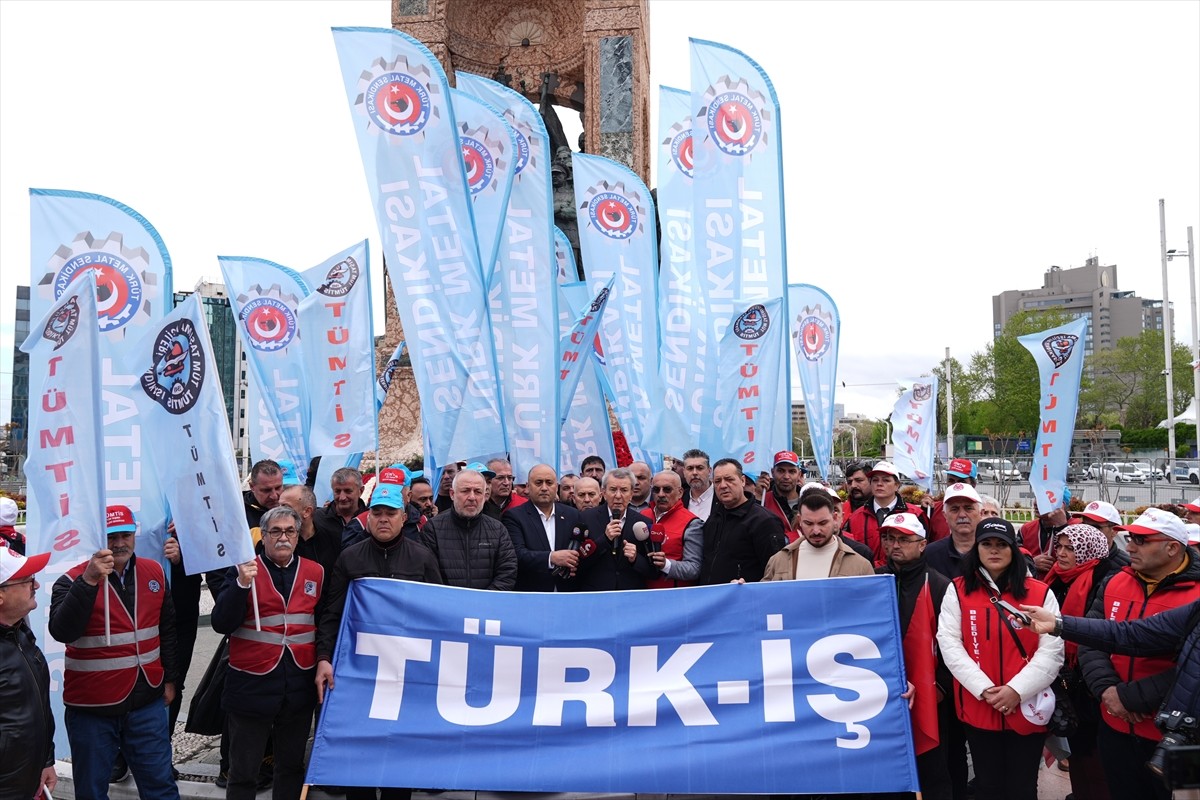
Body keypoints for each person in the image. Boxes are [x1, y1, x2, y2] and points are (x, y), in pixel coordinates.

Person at [315, 472, 442, 800]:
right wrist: (324, 659)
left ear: (403, 517)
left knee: (399, 755)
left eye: (390, 513)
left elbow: (439, 615)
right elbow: (332, 614)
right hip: (361, 672)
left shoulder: (422, 557)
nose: (383, 519)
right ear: (367, 516)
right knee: (359, 754)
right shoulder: (350, 558)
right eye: (377, 512)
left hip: (406, 672)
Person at [49, 505, 180, 800]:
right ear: (98, 538)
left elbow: (167, 630)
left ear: (135, 534)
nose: (119, 543)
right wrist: (89, 581)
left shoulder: (154, 571)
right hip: (93, 708)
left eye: (125, 534)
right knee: (92, 791)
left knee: (160, 786)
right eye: (111, 536)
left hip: (146, 701)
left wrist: (170, 680)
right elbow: (62, 630)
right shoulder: (71, 580)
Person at [1022, 588, 1200, 798]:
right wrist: (1059, 624)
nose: (1133, 551)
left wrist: (1130, 697)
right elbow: (1133, 634)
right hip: (1184, 737)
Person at [1072, 508, 1200, 800]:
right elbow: (1092, 638)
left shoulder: (1197, 594)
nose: (1129, 546)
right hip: (1116, 725)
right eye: (1130, 537)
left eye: (1142, 540)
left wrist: (1131, 697)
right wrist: (1107, 690)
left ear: (1172, 547)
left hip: (1182, 738)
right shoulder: (1116, 580)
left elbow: (1194, 667)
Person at [935, 518, 1064, 800]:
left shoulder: (1040, 592)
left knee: (1023, 785)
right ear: (977, 549)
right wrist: (984, 689)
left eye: (1001, 544)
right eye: (987, 544)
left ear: (1013, 549)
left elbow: (1053, 650)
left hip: (1027, 705)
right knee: (987, 784)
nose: (994, 550)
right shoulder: (957, 590)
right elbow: (949, 643)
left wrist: (1016, 690)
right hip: (979, 704)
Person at [211, 506, 323, 800]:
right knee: (243, 771)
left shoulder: (316, 572)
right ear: (264, 536)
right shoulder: (244, 569)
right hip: (251, 686)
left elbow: (324, 626)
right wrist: (240, 585)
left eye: (289, 531)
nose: (283, 538)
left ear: (298, 536)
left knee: (290, 768)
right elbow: (221, 623)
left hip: (297, 687)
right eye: (275, 531)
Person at [876, 512, 953, 800]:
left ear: (922, 544)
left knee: (932, 772)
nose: (895, 545)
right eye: (890, 538)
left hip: (929, 698)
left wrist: (940, 689)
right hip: (881, 697)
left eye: (904, 539)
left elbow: (952, 647)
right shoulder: (874, 579)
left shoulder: (940, 586)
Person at [1042, 523, 1120, 800]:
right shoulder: (1055, 578)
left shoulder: (1104, 580)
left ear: (1089, 551)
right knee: (1074, 746)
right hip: (1064, 677)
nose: (1061, 554)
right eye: (1059, 547)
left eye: (1071, 548)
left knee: (1094, 753)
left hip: (1092, 681)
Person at [0, 546, 55, 800]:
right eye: (27, 581)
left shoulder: (20, 632)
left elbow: (38, 704)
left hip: (28, 778)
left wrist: (46, 760)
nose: (36, 585)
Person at [420, 469, 517, 590]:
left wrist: (484, 601)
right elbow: (428, 573)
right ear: (452, 494)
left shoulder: (498, 530)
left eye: (477, 492)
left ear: (485, 495)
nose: (472, 497)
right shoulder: (433, 529)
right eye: (465, 491)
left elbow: (507, 571)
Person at [700, 459, 788, 584]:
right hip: (713, 597)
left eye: (729, 479)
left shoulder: (764, 521)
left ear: (742, 481)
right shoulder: (714, 517)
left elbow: (777, 571)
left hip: (747, 599)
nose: (723, 485)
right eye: (717, 481)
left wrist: (749, 587)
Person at [504, 464, 585, 590]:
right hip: (533, 594)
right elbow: (517, 555)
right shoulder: (514, 516)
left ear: (556, 487)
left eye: (549, 482)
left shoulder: (572, 514)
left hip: (568, 592)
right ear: (528, 486)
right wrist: (551, 558)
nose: (544, 488)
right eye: (538, 483)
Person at [763, 491, 872, 580]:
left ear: (835, 518)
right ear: (799, 520)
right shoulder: (778, 561)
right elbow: (764, 600)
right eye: (808, 523)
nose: (816, 531)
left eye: (822, 523)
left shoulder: (861, 566)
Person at [576, 468, 655, 591]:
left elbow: (653, 571)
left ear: (631, 493)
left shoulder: (643, 523)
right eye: (613, 490)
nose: (618, 496)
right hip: (596, 595)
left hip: (630, 596)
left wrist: (635, 559)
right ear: (603, 492)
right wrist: (605, 539)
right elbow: (578, 562)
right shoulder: (585, 518)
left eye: (624, 490)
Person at [843, 460, 928, 566]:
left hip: (904, 576)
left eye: (886, 480)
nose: (879, 484)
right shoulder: (856, 517)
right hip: (866, 576)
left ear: (897, 485)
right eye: (875, 480)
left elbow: (925, 548)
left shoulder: (915, 513)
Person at [643, 470, 703, 588]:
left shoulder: (692, 523)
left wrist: (666, 564)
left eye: (667, 489)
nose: (660, 494)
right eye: (656, 490)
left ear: (680, 492)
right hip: (641, 592)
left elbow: (694, 569)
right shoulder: (643, 516)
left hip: (674, 596)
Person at [924, 483, 984, 580]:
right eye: (954, 509)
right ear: (945, 516)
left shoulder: (993, 553)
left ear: (981, 513)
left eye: (968, 508)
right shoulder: (930, 555)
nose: (962, 515)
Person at [280, 483, 342, 577]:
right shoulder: (275, 541)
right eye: (278, 506)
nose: (278, 512)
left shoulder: (333, 538)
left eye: (285, 507)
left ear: (307, 511)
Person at [313, 467, 366, 546]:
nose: (342, 497)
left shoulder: (370, 520)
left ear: (361, 491)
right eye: (337, 491)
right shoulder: (316, 519)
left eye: (348, 491)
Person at [927, 459, 977, 541]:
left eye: (961, 481)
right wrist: (925, 512)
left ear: (973, 484)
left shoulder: (982, 510)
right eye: (951, 481)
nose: (956, 485)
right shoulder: (934, 509)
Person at [757, 450, 804, 537]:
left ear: (799, 474)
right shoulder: (763, 500)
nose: (786, 476)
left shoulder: (808, 500)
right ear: (772, 472)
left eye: (792, 471)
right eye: (781, 471)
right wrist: (758, 497)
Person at [1019, 500, 1070, 579]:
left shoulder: (1078, 528)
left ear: (1060, 503)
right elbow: (1011, 557)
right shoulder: (1026, 529)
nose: (1035, 502)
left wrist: (1062, 527)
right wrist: (1030, 563)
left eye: (1041, 497)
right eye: (1035, 497)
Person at [245, 459, 284, 530]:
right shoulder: (239, 513)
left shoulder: (293, 506)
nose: (274, 496)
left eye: (278, 488)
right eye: (266, 490)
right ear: (252, 486)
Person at [681, 448, 715, 522]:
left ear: (709, 471)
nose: (694, 472)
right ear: (684, 472)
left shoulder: (721, 497)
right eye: (690, 468)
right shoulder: (679, 499)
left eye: (700, 468)